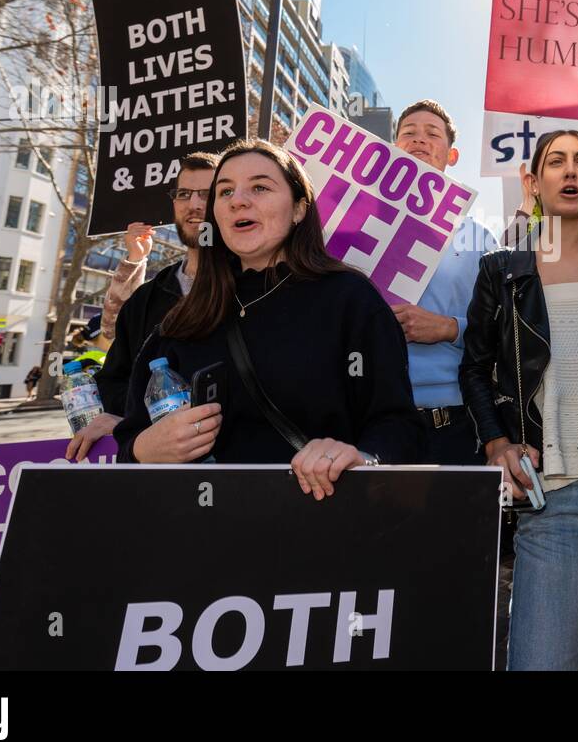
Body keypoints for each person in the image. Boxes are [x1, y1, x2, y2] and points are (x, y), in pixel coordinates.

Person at [113, 139, 423, 491]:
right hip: (202, 534)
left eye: (260, 187)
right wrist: (144, 449)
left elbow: (399, 428)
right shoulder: (184, 317)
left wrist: (362, 458)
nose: (238, 200)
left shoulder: (350, 299)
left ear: (299, 209)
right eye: (225, 191)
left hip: (318, 529)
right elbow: (128, 442)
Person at [460, 129, 578, 670]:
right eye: (555, 162)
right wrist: (496, 443)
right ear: (533, 183)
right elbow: (473, 368)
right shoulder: (502, 270)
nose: (570, 171)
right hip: (558, 496)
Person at [66, 152, 218, 460]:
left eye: (208, 194)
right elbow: (115, 381)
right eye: (184, 194)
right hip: (157, 482)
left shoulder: (257, 288)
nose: (194, 204)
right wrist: (133, 425)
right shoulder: (146, 299)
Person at [390, 100, 499, 464]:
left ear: (451, 155)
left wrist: (448, 328)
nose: (420, 140)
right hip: (379, 420)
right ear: (393, 148)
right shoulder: (350, 230)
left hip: (456, 420)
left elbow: (504, 332)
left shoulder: (478, 237)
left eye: (432, 134)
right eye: (409, 133)